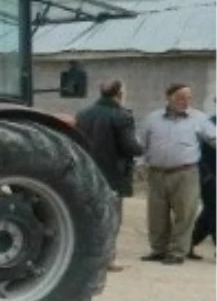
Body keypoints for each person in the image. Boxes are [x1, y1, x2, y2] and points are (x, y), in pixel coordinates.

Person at [140, 83, 217, 265]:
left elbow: (214, 137)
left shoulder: (199, 118)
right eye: (181, 97)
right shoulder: (153, 119)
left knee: (185, 214)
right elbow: (142, 144)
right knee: (157, 214)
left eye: (189, 98)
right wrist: (140, 165)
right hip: (157, 172)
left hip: (186, 173)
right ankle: (158, 249)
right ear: (169, 97)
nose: (185, 102)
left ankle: (177, 252)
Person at [74, 79, 144, 271]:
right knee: (112, 218)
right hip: (113, 174)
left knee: (89, 216)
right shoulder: (122, 116)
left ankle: (85, 257)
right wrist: (142, 148)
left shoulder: (83, 114)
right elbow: (130, 146)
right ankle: (108, 259)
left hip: (86, 173)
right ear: (119, 93)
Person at [190, 98, 217, 259]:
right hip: (211, 176)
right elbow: (199, 152)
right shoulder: (209, 124)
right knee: (213, 209)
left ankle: (189, 242)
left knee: (210, 211)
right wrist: (206, 175)